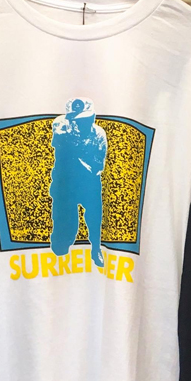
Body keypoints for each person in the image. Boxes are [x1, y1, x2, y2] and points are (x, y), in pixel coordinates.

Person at [49, 98, 107, 267]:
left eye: (85, 119)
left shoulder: (98, 134)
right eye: (75, 119)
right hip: (65, 182)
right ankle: (64, 243)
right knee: (65, 223)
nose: (80, 123)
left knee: (94, 216)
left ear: (93, 117)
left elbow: (98, 166)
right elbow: (58, 143)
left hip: (89, 181)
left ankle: (96, 248)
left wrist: (77, 156)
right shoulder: (62, 126)